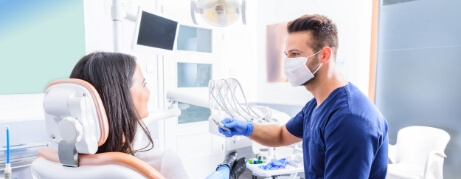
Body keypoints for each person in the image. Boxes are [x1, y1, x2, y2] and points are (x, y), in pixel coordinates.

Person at [218, 14, 389, 178]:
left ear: (324, 55)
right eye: (287, 55)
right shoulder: (316, 105)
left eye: (295, 54)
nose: (288, 62)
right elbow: (281, 134)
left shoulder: (349, 119)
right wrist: (248, 128)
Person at [70, 52, 246, 179]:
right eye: (144, 84)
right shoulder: (162, 162)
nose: (149, 91)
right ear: (120, 97)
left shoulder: (60, 161)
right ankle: (226, 170)